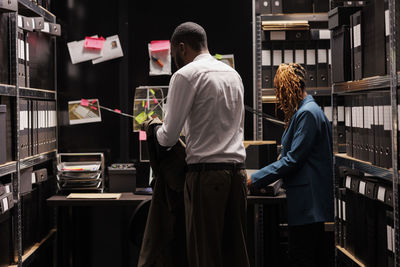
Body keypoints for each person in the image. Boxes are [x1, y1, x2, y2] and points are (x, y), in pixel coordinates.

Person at [155, 22, 250, 267]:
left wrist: (154, 128)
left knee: (205, 256)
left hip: (206, 178)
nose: (174, 59)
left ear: (182, 47)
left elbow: (168, 136)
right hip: (238, 175)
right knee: (235, 256)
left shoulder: (185, 76)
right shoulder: (233, 74)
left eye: (173, 52)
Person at [248, 63, 334, 267]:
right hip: (307, 204)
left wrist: (255, 178)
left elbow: (293, 159)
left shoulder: (307, 113)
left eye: (281, 91)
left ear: (291, 88)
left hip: (309, 206)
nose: (280, 98)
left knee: (302, 258)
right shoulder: (304, 112)